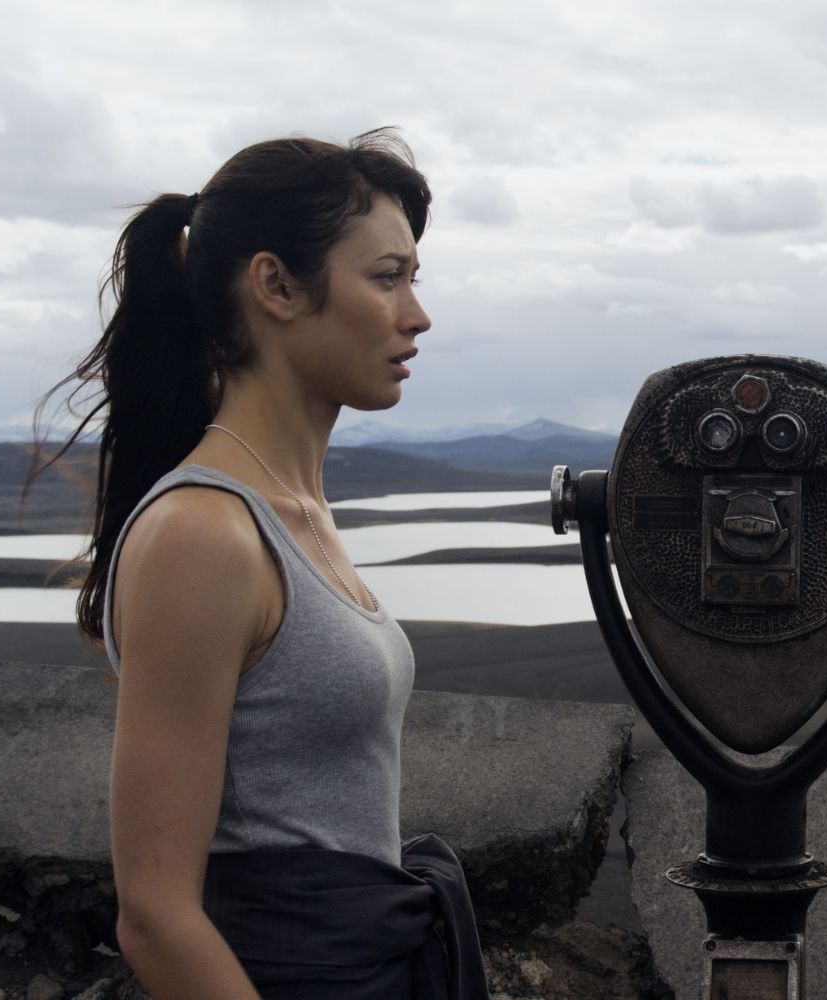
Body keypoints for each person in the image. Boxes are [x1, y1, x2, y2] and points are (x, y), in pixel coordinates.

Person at [30, 129, 486, 999]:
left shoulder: (295, 514)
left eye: (413, 279)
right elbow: (157, 916)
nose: (417, 314)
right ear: (276, 285)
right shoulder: (203, 535)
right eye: (387, 277)